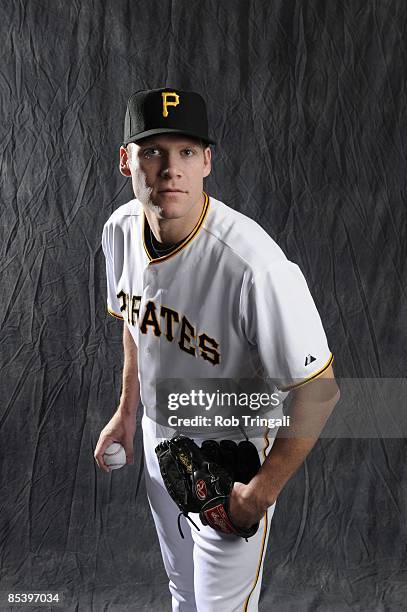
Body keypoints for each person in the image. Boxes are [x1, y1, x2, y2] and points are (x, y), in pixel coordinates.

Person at [94, 87, 340, 611]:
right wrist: (125, 411)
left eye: (185, 152)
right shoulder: (119, 231)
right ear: (126, 161)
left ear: (207, 161)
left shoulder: (254, 266)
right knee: (183, 594)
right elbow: (138, 326)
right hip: (159, 441)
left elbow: (320, 392)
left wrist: (259, 494)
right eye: (152, 151)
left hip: (232, 458)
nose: (169, 169)